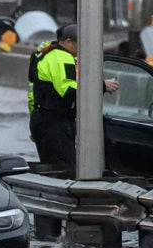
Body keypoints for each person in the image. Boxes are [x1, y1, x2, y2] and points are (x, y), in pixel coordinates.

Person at [27, 23, 121, 171]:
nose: (81, 50)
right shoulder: (63, 57)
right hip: (55, 124)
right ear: (68, 41)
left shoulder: (45, 54)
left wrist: (34, 124)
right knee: (66, 170)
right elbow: (70, 91)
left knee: (50, 169)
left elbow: (34, 93)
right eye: (80, 45)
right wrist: (101, 86)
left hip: (41, 120)